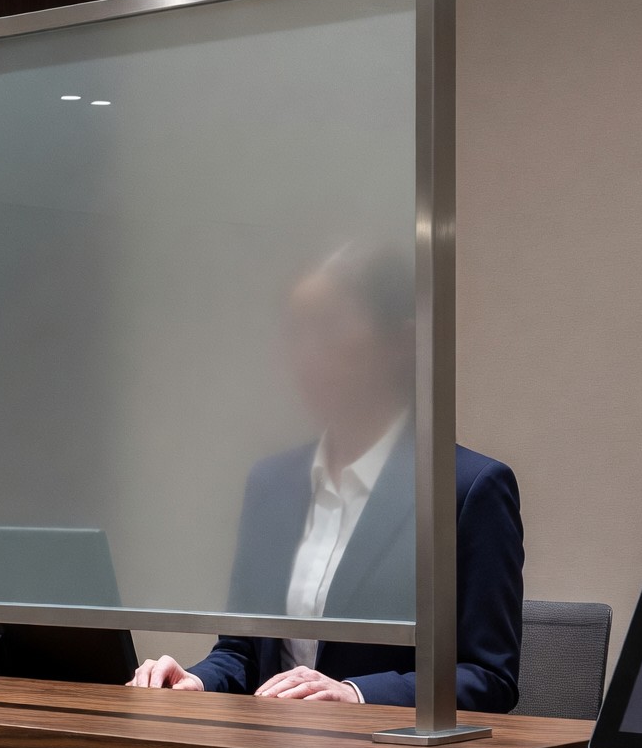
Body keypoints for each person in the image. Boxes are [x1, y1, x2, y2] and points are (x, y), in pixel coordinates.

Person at [128, 245, 523, 710]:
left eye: (328, 328)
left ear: (399, 344)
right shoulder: (272, 484)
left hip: (381, 747)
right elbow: (241, 652)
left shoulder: (467, 488)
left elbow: (489, 677)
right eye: (295, 332)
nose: (305, 355)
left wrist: (356, 693)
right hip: (266, 743)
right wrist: (196, 680)